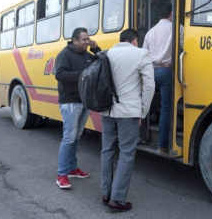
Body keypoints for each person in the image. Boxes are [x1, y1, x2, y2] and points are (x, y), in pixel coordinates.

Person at [100, 29, 154, 211]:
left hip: (107, 111)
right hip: (129, 112)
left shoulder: (106, 54)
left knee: (107, 150)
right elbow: (149, 86)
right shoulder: (141, 54)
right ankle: (117, 199)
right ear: (135, 41)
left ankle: (106, 194)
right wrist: (143, 112)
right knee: (126, 153)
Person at [54, 27, 101, 189]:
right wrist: (83, 74)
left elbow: (102, 61)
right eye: (84, 40)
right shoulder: (64, 55)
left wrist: (96, 49)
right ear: (74, 40)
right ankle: (61, 175)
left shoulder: (88, 55)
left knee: (76, 137)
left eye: (88, 39)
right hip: (70, 102)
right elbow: (59, 75)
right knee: (69, 137)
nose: (87, 42)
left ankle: (72, 168)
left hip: (84, 101)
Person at [143, 2, 184, 153]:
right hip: (167, 72)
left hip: (151, 71)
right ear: (171, 14)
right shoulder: (177, 28)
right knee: (167, 108)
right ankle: (162, 145)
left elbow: (144, 54)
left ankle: (142, 135)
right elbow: (184, 46)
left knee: (147, 104)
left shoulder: (150, 32)